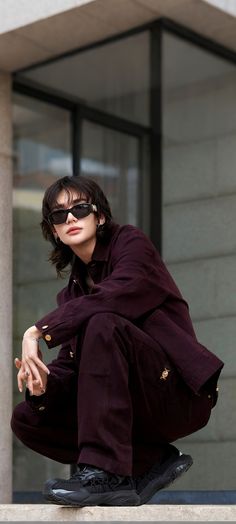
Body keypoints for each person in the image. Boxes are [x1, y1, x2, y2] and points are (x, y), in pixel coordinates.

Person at [11, 175, 224, 507]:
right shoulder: (71, 296)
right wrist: (43, 388)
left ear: (100, 216)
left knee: (103, 323)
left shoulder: (131, 244)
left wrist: (36, 331)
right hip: (130, 414)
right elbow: (72, 368)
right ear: (54, 231)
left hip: (177, 394)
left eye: (79, 209)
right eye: (58, 215)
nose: (69, 218)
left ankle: (101, 473)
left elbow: (115, 296)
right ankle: (146, 461)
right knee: (27, 418)